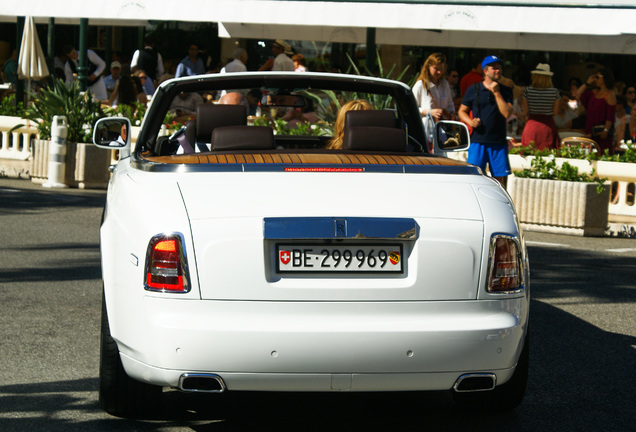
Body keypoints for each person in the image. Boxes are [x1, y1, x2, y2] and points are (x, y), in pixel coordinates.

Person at [458, 55, 513, 189]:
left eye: (499, 68)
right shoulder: (474, 89)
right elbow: (461, 111)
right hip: (478, 141)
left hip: (498, 142)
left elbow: (506, 112)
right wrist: (470, 122)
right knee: (474, 177)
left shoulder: (505, 90)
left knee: (499, 180)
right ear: (485, 71)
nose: (498, 70)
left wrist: (497, 93)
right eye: (494, 68)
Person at [575, 68, 617, 154]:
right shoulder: (593, 93)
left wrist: (606, 130)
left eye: (598, 77)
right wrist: (587, 83)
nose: (595, 79)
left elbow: (610, 115)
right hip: (590, 130)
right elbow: (577, 94)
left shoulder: (610, 94)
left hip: (601, 132)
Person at [520, 63, 561, 150]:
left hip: (532, 126)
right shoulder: (554, 92)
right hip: (548, 127)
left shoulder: (528, 91)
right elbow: (555, 112)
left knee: (529, 155)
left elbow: (525, 111)